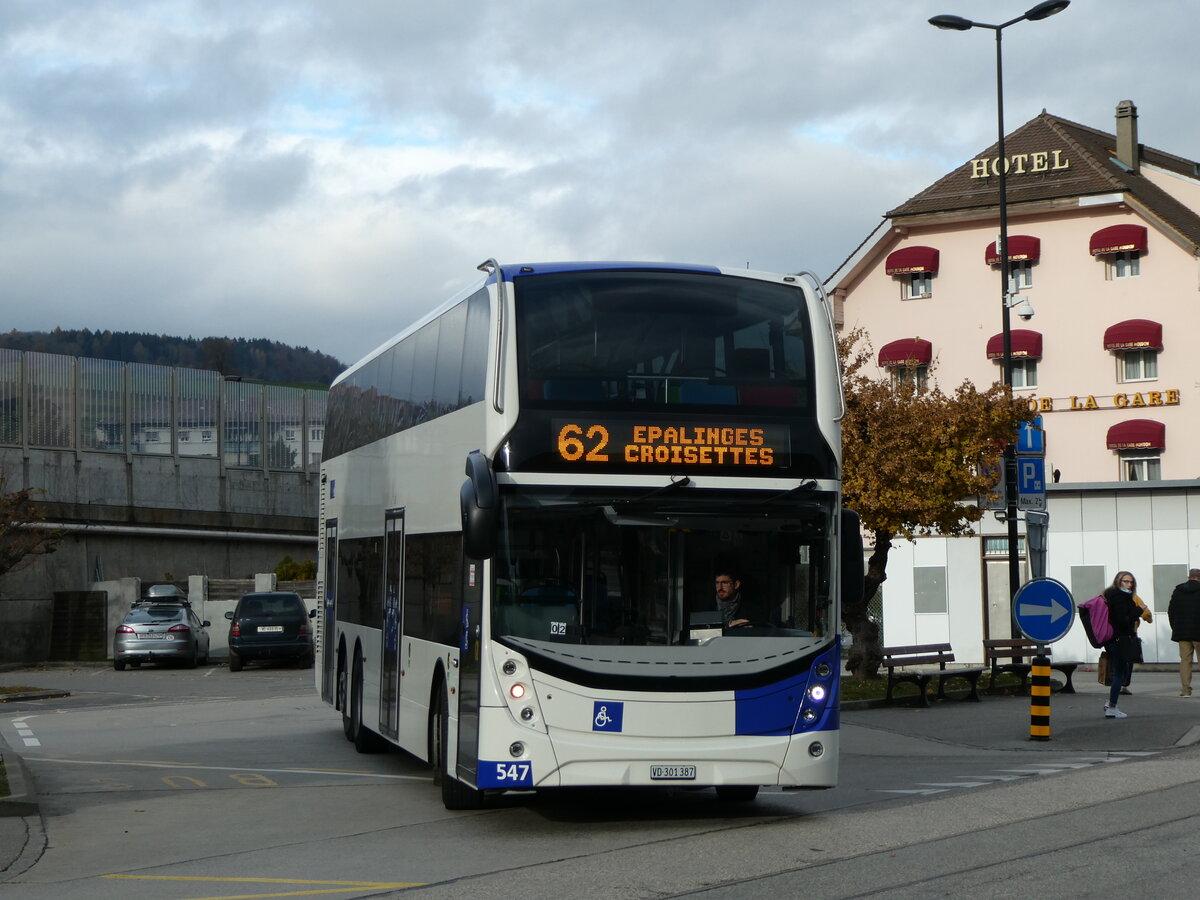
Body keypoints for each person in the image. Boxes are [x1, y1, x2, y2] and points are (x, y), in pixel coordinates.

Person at [1102, 571, 1142, 718]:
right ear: (1118, 582)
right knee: (1120, 672)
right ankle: (1112, 707)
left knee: (1122, 672)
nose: (1129, 584)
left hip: (1116, 639)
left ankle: (1111, 702)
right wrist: (1138, 610)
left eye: (1131, 582)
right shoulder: (1118, 597)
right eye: (1125, 581)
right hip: (1119, 639)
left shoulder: (1116, 595)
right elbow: (1122, 620)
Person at [1168, 568, 1200, 698]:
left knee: (1185, 661)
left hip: (1182, 632)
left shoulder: (1178, 591)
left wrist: (1175, 627)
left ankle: (1185, 690)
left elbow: (1171, 611)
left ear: (1189, 577)